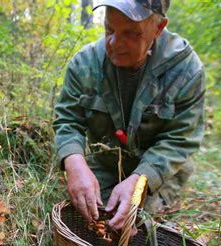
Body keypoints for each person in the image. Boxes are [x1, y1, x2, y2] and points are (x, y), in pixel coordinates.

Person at [53, 0, 205, 231]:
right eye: (109, 30)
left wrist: (142, 178)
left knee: (144, 228)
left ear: (158, 28)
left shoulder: (185, 70)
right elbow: (67, 120)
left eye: (131, 33)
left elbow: (179, 139)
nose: (115, 43)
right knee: (92, 221)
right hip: (107, 163)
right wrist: (74, 162)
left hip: (160, 171)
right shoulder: (85, 64)